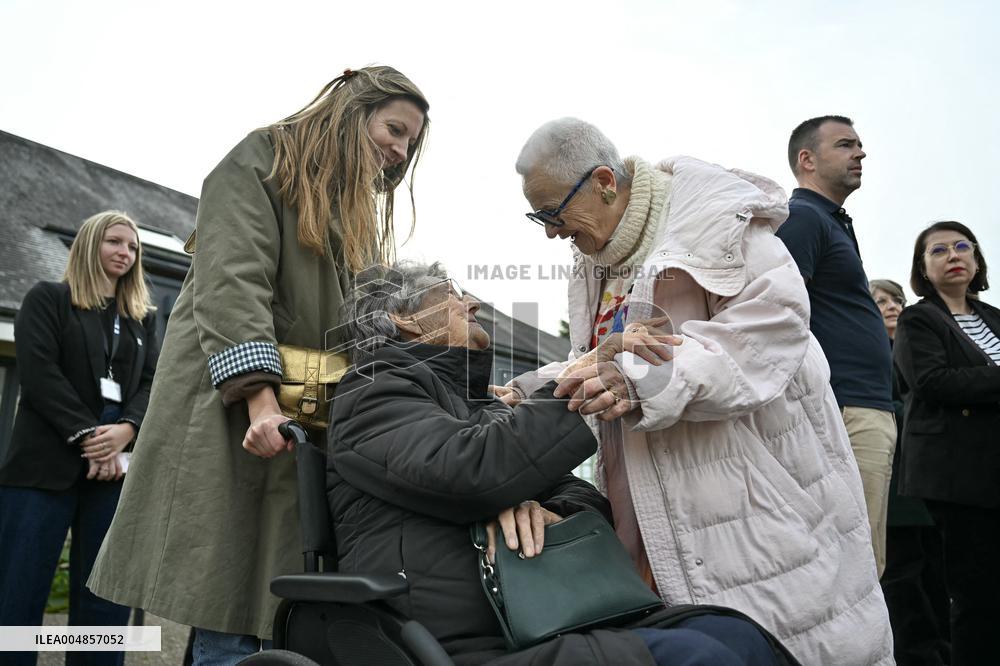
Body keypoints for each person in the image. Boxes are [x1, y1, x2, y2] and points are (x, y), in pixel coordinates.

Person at [512, 117, 892, 665]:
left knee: (799, 639)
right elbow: (600, 359)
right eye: (537, 217)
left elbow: (767, 333)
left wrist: (644, 380)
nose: (550, 231)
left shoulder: (718, 220)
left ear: (603, 181)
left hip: (760, 500)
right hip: (666, 509)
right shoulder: (595, 259)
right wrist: (528, 390)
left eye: (552, 212)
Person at [87, 67, 430, 664]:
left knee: (272, 596)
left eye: (411, 142)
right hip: (236, 410)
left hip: (304, 418)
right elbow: (232, 283)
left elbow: (352, 314)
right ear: (351, 112)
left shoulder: (352, 210)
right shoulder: (261, 160)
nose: (401, 150)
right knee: (232, 593)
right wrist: (260, 400)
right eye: (394, 128)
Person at [326, 262, 797, 666]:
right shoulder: (370, 391)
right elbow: (472, 472)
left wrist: (545, 508)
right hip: (460, 639)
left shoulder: (479, 404)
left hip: (543, 616)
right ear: (402, 319)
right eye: (450, 291)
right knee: (706, 657)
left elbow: (584, 497)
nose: (471, 300)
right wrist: (582, 378)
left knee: (737, 636)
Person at [0, 210, 159, 666]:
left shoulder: (142, 320)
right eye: (115, 242)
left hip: (112, 475)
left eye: (132, 247)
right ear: (90, 244)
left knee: (103, 600)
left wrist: (127, 430)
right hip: (42, 470)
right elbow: (39, 373)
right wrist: (92, 437)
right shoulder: (47, 298)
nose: (124, 253)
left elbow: (153, 383)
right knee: (19, 593)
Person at [774, 115, 896, 577]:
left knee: (866, 556)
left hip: (862, 408)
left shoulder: (831, 221)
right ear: (807, 159)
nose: (860, 153)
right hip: (842, 409)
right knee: (853, 566)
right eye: (846, 144)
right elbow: (777, 313)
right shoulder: (804, 217)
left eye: (860, 145)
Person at [893, 221, 1000, 666]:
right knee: (978, 596)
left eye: (961, 247)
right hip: (958, 477)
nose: (953, 255)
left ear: (976, 260)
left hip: (994, 468)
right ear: (923, 268)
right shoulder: (919, 318)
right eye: (938, 250)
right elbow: (933, 382)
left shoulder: (994, 317)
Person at [870, 278, 950, 665]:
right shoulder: (870, 357)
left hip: (932, 483)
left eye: (896, 299)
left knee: (939, 574)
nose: (891, 306)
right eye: (881, 300)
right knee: (904, 577)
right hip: (895, 485)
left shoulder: (920, 349)